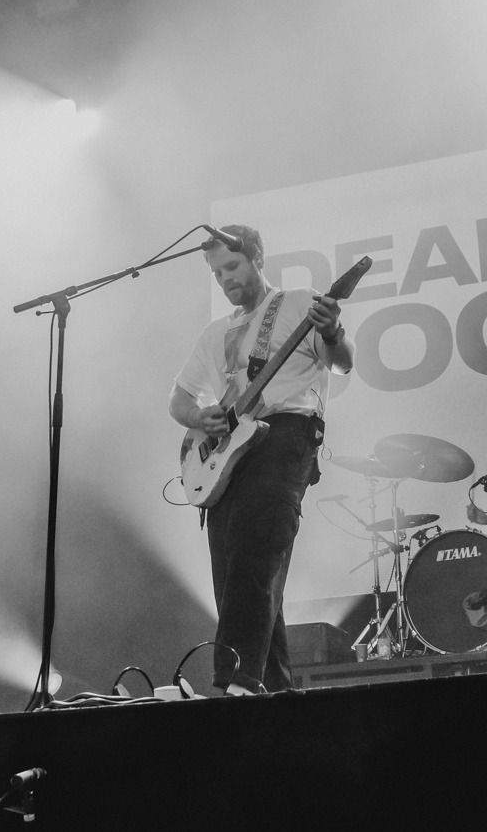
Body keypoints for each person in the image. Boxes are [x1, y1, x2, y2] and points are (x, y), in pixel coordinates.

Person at [169, 225, 352, 695]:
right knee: (235, 566)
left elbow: (342, 362)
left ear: (257, 259)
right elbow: (179, 400)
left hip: (286, 435)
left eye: (232, 267)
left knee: (255, 547)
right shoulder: (214, 333)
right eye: (217, 273)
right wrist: (200, 417)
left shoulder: (298, 303)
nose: (225, 279)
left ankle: (236, 678)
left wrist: (332, 331)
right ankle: (274, 689)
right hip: (229, 451)